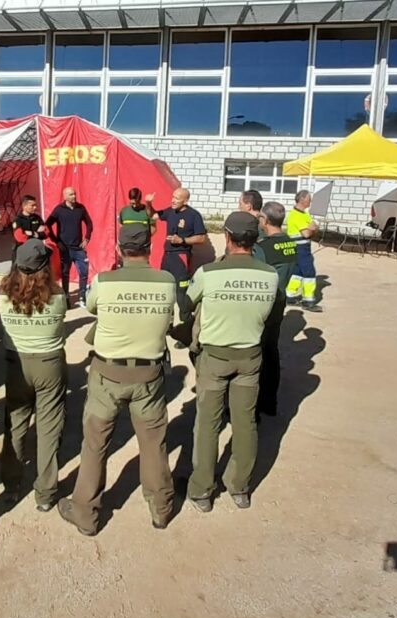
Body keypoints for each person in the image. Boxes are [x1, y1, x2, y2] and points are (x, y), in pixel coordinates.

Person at [58, 223, 177, 535]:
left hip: (107, 374)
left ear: (119, 250)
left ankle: (85, 513)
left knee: (95, 443)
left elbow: (93, 306)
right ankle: (161, 508)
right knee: (153, 443)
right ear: (150, 249)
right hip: (149, 373)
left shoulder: (104, 281)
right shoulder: (166, 281)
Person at [185, 212, 278, 512]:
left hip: (214, 355)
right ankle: (239, 487)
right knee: (245, 423)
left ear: (226, 237)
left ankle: (201, 489)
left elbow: (188, 304)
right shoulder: (270, 275)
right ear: (256, 239)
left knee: (208, 424)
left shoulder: (208, 273)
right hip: (250, 355)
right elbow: (273, 317)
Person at [0, 240, 68, 512]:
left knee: (15, 422)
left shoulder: (4, 296)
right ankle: (46, 492)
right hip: (49, 362)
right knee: (50, 427)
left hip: (16, 362)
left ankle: (11, 484)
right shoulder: (58, 297)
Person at [254, 201, 298, 418]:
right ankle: (270, 401)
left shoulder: (263, 248)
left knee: (256, 355)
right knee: (271, 352)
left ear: (266, 220)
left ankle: (255, 404)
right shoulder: (291, 243)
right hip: (280, 302)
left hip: (263, 306)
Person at [147, 188, 207, 331]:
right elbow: (153, 216)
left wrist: (182, 240)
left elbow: (202, 238)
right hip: (167, 256)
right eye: (172, 196)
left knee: (181, 295)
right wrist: (148, 204)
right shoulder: (170, 211)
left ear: (185, 201)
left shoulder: (194, 215)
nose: (173, 200)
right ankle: (167, 325)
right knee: (166, 291)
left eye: (177, 198)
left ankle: (187, 329)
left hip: (181, 257)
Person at [45, 187, 93, 308]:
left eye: (75, 194)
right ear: (65, 196)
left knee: (84, 272)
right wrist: (56, 241)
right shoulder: (59, 210)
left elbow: (89, 223)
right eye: (71, 194)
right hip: (65, 249)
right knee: (65, 273)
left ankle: (82, 297)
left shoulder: (80, 208)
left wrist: (87, 238)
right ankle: (66, 297)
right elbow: (48, 224)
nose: (74, 196)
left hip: (78, 248)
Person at [285, 189, 322, 312]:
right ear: (302, 199)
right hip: (299, 247)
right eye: (309, 199)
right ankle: (308, 300)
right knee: (309, 273)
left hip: (303, 247)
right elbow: (307, 233)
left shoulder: (304, 214)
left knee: (298, 273)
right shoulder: (296, 215)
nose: (310, 201)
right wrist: (313, 228)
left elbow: (313, 228)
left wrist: (313, 228)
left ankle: (289, 296)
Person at [13, 195, 62, 281]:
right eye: (32, 205)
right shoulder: (18, 220)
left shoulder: (37, 218)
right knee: (20, 276)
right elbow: (20, 237)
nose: (35, 207)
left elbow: (46, 232)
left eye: (35, 205)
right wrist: (38, 233)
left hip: (37, 251)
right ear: (24, 206)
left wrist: (32, 233)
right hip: (23, 251)